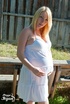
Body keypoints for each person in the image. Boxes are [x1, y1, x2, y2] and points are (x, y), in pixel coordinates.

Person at [17, 6, 54, 104]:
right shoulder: (27, 31)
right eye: (41, 17)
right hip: (31, 73)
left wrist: (51, 66)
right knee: (33, 101)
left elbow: (48, 51)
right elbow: (20, 54)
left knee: (42, 100)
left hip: (42, 75)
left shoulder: (45, 33)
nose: (43, 21)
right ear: (36, 16)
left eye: (46, 19)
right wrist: (33, 69)